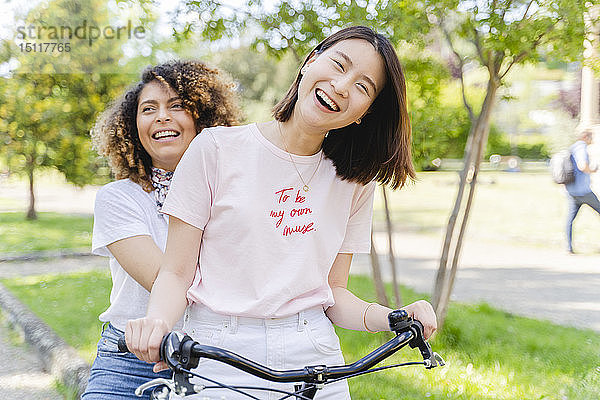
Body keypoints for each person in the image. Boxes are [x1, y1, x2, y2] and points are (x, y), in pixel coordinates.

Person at [126, 26, 438, 399]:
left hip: (314, 357)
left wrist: (392, 318)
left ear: (364, 114)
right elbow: (176, 273)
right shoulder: (216, 149)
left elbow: (334, 292)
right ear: (309, 62)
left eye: (362, 87)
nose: (342, 86)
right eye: (338, 65)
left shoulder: (355, 182)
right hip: (219, 353)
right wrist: (157, 322)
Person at [81, 60, 240, 400]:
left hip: (213, 354)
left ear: (205, 118)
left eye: (177, 105)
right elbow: (167, 278)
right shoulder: (118, 198)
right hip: (129, 358)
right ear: (132, 126)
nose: (162, 116)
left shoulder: (234, 196)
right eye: (148, 109)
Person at [565, 129, 600, 254]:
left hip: (571, 191)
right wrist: (592, 170)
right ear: (585, 137)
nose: (593, 140)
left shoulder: (572, 147)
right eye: (591, 137)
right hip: (583, 191)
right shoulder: (581, 147)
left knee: (570, 219)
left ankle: (568, 247)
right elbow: (582, 165)